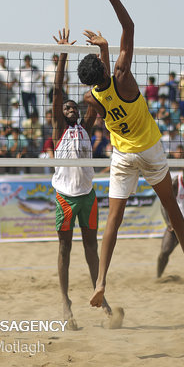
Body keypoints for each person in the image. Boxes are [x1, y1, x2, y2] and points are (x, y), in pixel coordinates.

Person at [76, 0, 184, 309]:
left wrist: (101, 51)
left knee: (113, 220)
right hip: (149, 150)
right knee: (170, 201)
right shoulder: (123, 77)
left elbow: (101, 84)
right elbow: (129, 29)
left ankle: (101, 281)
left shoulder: (92, 97)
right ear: (105, 66)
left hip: (122, 156)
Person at [50, 28, 121, 328]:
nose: (70, 108)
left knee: (91, 248)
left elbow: (101, 94)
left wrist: (101, 62)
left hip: (88, 196)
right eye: (66, 107)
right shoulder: (58, 129)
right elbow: (57, 89)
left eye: (73, 106)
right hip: (65, 198)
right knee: (64, 249)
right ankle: (65, 304)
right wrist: (64, 55)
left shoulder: (86, 127)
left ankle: (101, 296)